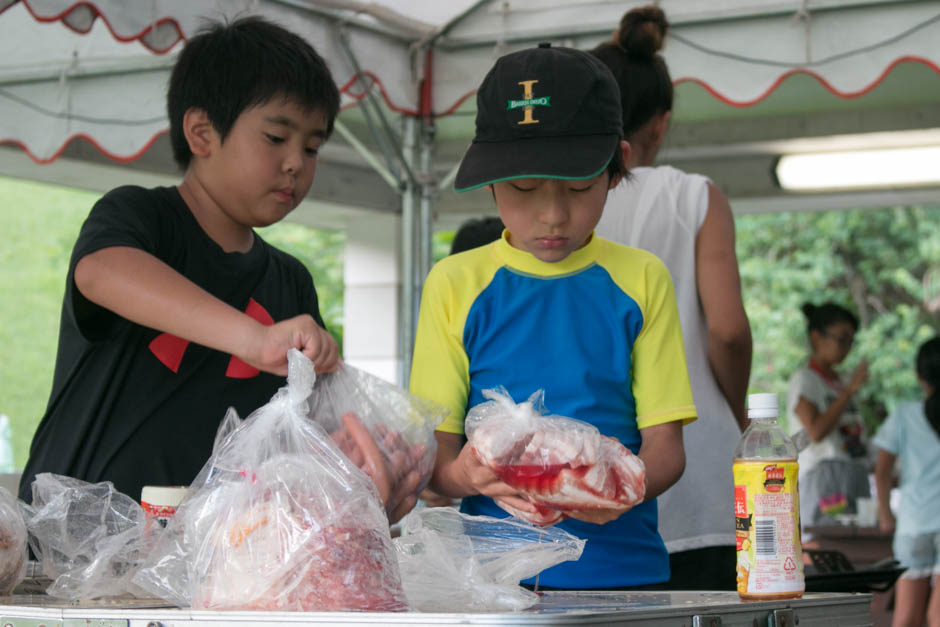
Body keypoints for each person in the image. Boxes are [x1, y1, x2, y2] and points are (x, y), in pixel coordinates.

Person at [19, 17, 420, 523]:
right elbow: (101, 273)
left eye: (313, 147)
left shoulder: (290, 281)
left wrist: (364, 471)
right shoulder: (142, 218)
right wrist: (253, 339)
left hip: (207, 566)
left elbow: (296, 440)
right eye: (277, 137)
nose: (297, 162)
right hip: (70, 556)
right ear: (202, 133)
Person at [409, 42, 697, 590]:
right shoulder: (455, 284)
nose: (553, 214)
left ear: (618, 169)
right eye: (522, 188)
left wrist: (618, 489)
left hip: (623, 575)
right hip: (494, 583)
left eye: (579, 187)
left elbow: (666, 450)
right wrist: (463, 474)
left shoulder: (640, 279)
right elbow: (436, 465)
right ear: (489, 180)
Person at [590, 5, 753, 590]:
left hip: (590, 475)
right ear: (658, 125)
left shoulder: (556, 199)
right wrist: (735, 416)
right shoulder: (695, 197)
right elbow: (728, 331)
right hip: (698, 476)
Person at [872, 337, 940, 627]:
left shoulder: (904, 414)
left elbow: (882, 471)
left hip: (913, 524)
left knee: (906, 619)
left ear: (919, 375)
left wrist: (886, 514)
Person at [787, 302, 871, 530]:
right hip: (823, 474)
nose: (847, 348)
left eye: (851, 341)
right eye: (842, 339)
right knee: (826, 542)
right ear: (816, 337)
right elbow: (815, 432)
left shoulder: (840, 381)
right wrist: (849, 392)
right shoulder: (806, 380)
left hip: (853, 471)